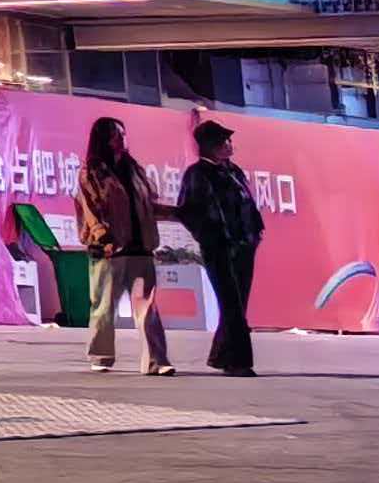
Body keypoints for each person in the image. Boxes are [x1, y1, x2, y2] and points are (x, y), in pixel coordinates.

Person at [77, 115, 173, 373]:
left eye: (123, 134)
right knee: (104, 307)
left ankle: (157, 361)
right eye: (116, 135)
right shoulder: (91, 172)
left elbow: (148, 204)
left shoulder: (134, 169)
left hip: (141, 248)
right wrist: (103, 237)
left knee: (148, 307)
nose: (122, 139)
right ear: (103, 140)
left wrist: (179, 212)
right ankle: (101, 356)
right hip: (109, 251)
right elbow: (91, 210)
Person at [174, 116, 265, 375]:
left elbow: (248, 203)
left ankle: (222, 357)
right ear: (211, 146)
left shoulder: (233, 171)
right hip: (220, 248)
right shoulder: (198, 174)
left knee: (238, 303)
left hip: (245, 245)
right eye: (224, 141)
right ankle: (239, 361)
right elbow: (187, 211)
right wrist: (211, 235)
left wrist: (256, 230)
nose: (229, 144)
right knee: (231, 303)